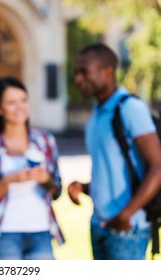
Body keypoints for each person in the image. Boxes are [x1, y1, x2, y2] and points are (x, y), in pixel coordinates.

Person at [68, 43, 161, 259]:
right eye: (76, 73)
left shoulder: (130, 108)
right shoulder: (96, 114)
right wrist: (84, 187)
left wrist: (126, 215)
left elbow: (158, 166)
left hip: (127, 229)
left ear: (107, 71)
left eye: (84, 71)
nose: (78, 79)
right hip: (100, 225)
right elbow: (114, 172)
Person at [0, 76, 64, 260]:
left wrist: (45, 179)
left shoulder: (45, 141)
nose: (20, 107)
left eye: (23, 100)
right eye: (11, 102)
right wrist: (8, 180)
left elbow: (56, 190)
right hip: (5, 235)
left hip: (41, 232)